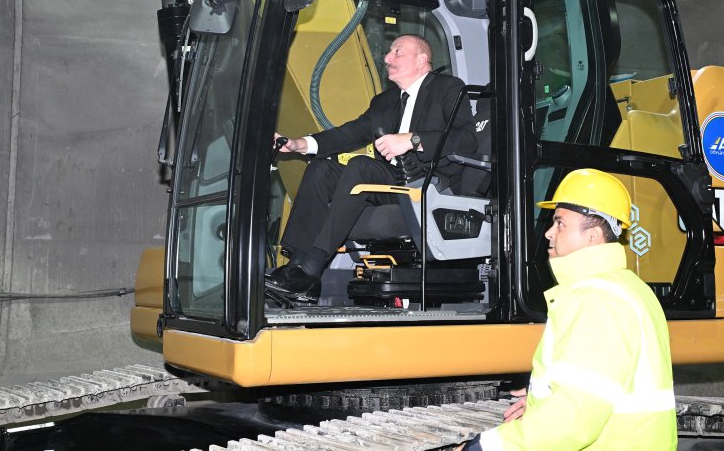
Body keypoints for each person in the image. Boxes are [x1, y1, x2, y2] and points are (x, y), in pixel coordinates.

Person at [460, 168, 676, 450]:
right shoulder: (629, 288)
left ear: (594, 236)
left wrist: (486, 447)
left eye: (560, 224)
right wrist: (541, 405)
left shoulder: (598, 299)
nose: (549, 233)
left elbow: (575, 418)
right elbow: (596, 390)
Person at [266, 34, 477, 302]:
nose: (387, 58)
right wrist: (300, 144)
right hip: (391, 180)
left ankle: (312, 267)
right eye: (388, 52)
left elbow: (467, 139)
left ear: (422, 60)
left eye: (397, 52)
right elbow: (347, 134)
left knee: (360, 166)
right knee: (321, 169)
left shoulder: (448, 88)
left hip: (427, 183)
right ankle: (299, 269)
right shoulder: (384, 102)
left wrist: (413, 139)